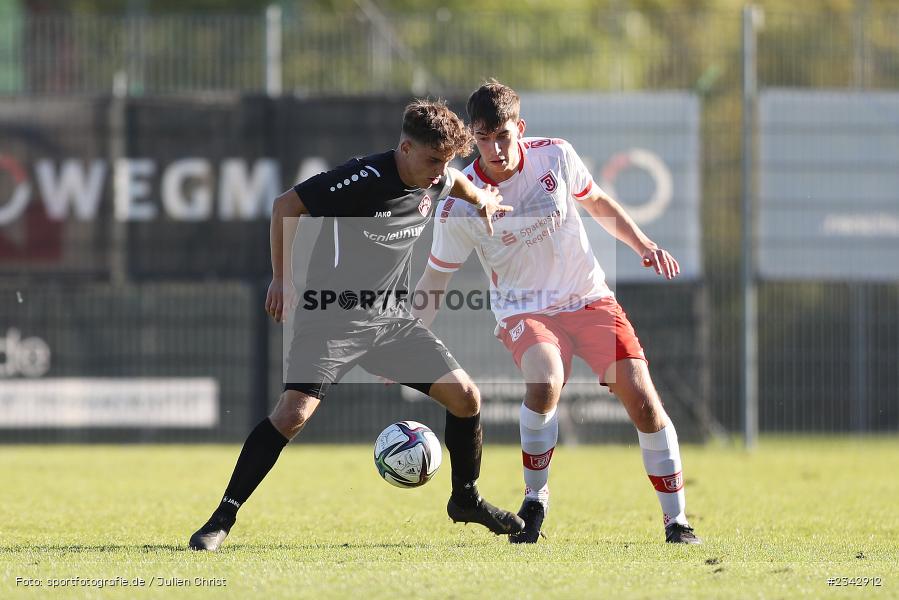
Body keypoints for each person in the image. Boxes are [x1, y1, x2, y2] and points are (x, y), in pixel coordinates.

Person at [189, 98, 523, 551]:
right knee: (292, 414)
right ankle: (222, 518)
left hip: (390, 323)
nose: (438, 172)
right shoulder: (361, 179)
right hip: (331, 319)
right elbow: (285, 205)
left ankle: (465, 499)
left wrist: (481, 197)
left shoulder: (437, 176)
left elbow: (455, 181)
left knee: (466, 398)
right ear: (405, 148)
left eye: (445, 162)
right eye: (431, 160)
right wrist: (281, 279)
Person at [413, 81, 702, 544]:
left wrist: (643, 244)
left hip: (588, 298)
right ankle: (536, 498)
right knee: (545, 380)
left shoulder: (556, 156)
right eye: (483, 138)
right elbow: (435, 280)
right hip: (524, 309)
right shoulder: (459, 206)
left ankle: (677, 522)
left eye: (503, 135)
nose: (495, 148)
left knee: (644, 402)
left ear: (520, 129)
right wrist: (405, 345)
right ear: (472, 136)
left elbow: (598, 203)